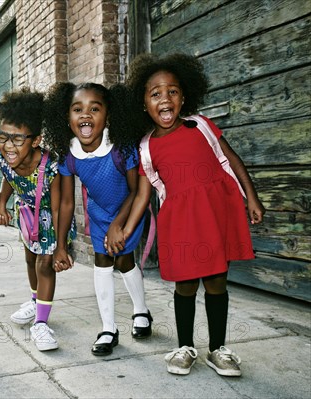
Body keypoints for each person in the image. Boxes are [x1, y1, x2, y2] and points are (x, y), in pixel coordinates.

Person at [120, 53, 265, 377]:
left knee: (216, 282)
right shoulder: (146, 147)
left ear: (184, 96)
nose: (164, 98)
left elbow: (233, 160)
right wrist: (126, 228)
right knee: (185, 285)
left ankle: (217, 349)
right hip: (181, 223)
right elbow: (143, 194)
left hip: (216, 216)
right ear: (144, 104)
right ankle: (185, 346)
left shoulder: (201, 125)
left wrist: (251, 198)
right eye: (155, 93)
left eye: (172, 91)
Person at [45, 82, 153, 357]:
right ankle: (108, 328)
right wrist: (61, 245)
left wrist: (119, 225)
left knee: (125, 260)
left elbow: (135, 192)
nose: (86, 115)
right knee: (102, 261)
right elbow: (67, 202)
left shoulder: (121, 148)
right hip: (99, 214)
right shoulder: (69, 155)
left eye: (95, 109)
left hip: (128, 211)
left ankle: (141, 311)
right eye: (77, 109)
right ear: (66, 117)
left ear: (107, 116)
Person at [0, 87, 76, 351]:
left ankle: (41, 324)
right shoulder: (5, 158)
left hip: (53, 217)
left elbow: (62, 205)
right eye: (3, 137)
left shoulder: (51, 165)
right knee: (30, 258)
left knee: (45, 263)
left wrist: (61, 246)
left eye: (17, 139)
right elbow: (9, 178)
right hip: (27, 213)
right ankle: (36, 300)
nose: (8, 145)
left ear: (36, 140)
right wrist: (1, 203)